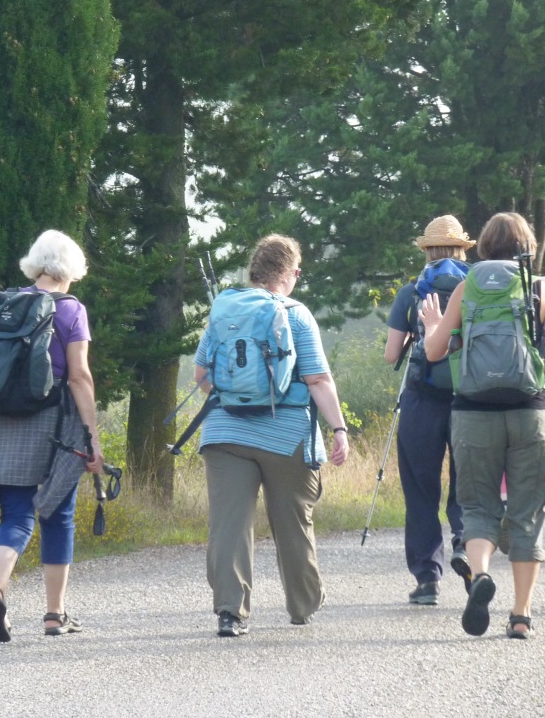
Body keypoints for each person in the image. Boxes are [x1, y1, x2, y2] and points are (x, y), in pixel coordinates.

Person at [420, 212, 545, 640]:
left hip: (471, 413)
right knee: (526, 512)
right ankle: (521, 615)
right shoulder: (539, 288)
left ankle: (481, 575)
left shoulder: (466, 288)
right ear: (528, 246)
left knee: (478, 508)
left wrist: (434, 326)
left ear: (484, 245)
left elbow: (433, 353)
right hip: (529, 411)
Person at [193, 234, 349, 637]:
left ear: (254, 271)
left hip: (224, 432)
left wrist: (238, 398)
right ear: (291, 273)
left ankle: (230, 612)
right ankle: (302, 606)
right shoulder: (295, 313)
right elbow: (317, 378)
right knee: (293, 520)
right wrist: (339, 429)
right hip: (287, 435)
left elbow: (202, 377)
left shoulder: (223, 310)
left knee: (229, 524)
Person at [0, 230, 105, 642]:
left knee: (17, 515)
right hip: (54, 423)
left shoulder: (6, 304)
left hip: (1, 419)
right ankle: (55, 615)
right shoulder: (71, 310)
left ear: (35, 263)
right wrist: (92, 436)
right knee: (58, 513)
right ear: (70, 269)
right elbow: (79, 376)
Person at [383, 215, 473, 605]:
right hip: (470, 398)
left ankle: (427, 578)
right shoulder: (476, 289)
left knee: (421, 489)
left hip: (422, 398)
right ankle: (466, 548)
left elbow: (391, 357)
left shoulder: (411, 292)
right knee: (467, 483)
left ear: (427, 250)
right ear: (462, 249)